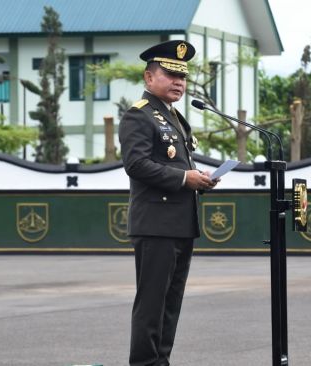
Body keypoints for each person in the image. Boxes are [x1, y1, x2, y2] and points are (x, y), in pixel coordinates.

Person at [118, 40, 218, 366]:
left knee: (171, 303)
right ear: (149, 78)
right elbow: (136, 165)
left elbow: (175, 165)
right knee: (152, 303)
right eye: (170, 74)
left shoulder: (174, 117)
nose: (179, 82)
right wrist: (184, 179)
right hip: (155, 224)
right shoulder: (139, 116)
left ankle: (161, 360)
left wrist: (198, 178)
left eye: (183, 77)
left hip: (180, 222)